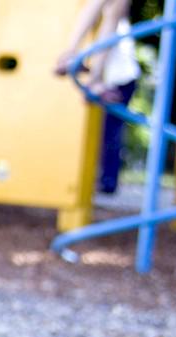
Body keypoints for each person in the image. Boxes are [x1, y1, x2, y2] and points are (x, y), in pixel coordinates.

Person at [56, 0, 141, 194]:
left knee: (110, 131)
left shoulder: (116, 25)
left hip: (118, 77)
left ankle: (72, 56)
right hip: (118, 78)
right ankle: (107, 180)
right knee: (111, 132)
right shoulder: (118, 27)